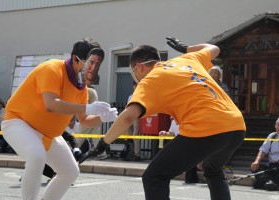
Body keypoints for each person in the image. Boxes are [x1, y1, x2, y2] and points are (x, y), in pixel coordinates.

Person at [84, 37, 246, 200]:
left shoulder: (150, 80)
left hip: (204, 126)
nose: (135, 79)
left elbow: (128, 117)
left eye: (133, 73)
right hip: (236, 125)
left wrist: (102, 144)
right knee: (213, 170)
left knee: (154, 176)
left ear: (138, 67)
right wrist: (187, 48)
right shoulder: (187, 58)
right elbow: (214, 48)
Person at [1, 38, 118, 200]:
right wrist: (87, 108)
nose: (94, 67)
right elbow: (51, 104)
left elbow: (84, 121)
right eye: (91, 62)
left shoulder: (80, 87)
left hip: (48, 135)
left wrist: (103, 117)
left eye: (97, 63)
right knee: (37, 156)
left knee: (70, 171)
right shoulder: (52, 69)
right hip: (17, 122)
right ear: (77, 59)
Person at [159, 118, 199, 184]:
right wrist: (165, 133)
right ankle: (190, 178)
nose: (171, 117)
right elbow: (171, 133)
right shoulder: (173, 122)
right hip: (181, 143)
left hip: (189, 141)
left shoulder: (185, 120)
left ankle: (191, 179)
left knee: (189, 160)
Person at [250, 117, 279, 191]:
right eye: (277, 125)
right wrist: (257, 161)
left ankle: (269, 182)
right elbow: (263, 150)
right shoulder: (272, 136)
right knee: (256, 168)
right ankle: (271, 182)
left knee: (259, 182)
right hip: (272, 166)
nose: (278, 127)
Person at [125, 81, 141, 161]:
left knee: (135, 135)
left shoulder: (140, 96)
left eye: (137, 85)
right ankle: (129, 153)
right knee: (129, 135)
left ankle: (137, 154)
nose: (135, 87)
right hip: (129, 116)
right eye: (134, 85)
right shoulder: (130, 96)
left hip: (136, 116)